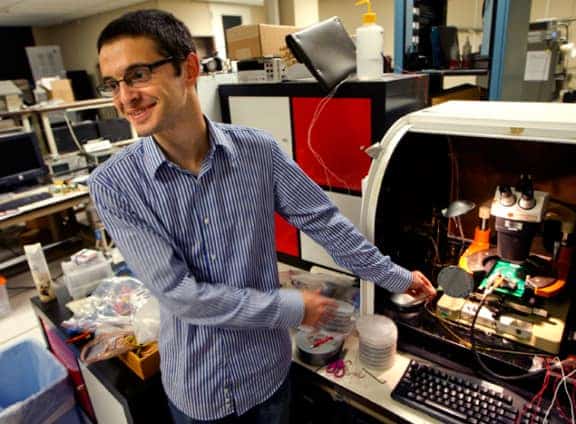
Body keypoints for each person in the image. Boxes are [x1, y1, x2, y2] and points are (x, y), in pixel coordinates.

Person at [89, 9, 436, 424]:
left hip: (268, 377)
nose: (125, 98)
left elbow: (325, 223)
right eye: (114, 84)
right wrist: (292, 307)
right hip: (199, 391)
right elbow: (181, 296)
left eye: (138, 74)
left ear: (188, 68)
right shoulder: (114, 184)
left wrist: (399, 277)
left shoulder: (257, 152)